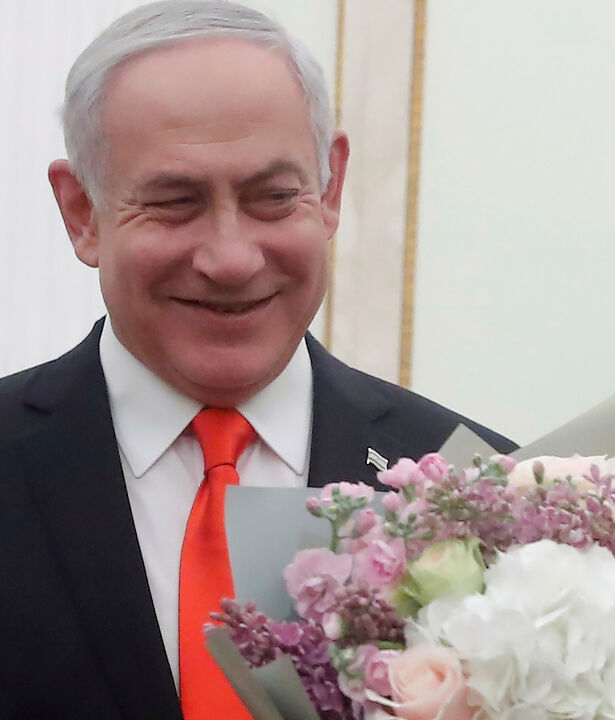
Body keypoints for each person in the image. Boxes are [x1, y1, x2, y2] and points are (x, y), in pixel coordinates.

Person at [0, 2, 513, 718]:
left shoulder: (488, 499)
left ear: (330, 187)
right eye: (174, 204)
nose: (232, 259)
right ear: (82, 211)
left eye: (273, 198)